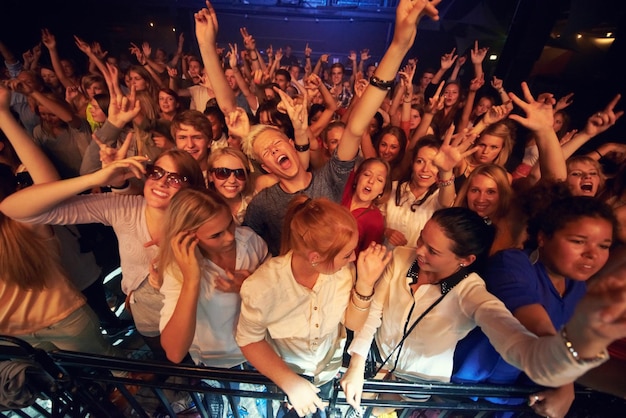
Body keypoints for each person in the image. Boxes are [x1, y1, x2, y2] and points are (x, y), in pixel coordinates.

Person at [340, 206, 625, 413]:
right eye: (422, 239)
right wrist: (355, 367)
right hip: (372, 365)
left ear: (465, 260)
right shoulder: (402, 257)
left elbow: (520, 346)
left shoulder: (472, 292)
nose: (419, 250)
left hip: (419, 386)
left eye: (433, 251)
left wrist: (583, 343)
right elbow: (374, 313)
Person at [0, 149, 205, 358]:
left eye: (176, 179)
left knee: (202, 355)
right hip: (146, 310)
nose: (162, 182)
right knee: (165, 357)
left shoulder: (203, 218)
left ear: (192, 187)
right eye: (156, 172)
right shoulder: (124, 208)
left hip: (198, 308)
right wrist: (95, 179)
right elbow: (13, 209)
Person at [452, 190, 616, 418]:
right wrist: (566, 385)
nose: (592, 255)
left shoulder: (578, 289)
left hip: (515, 399)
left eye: (604, 246)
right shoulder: (512, 264)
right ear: (543, 237)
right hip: (465, 392)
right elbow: (538, 327)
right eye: (579, 242)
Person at [237, 196, 391, 418]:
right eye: (347, 254)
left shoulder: (343, 274)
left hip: (328, 370)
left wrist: (365, 285)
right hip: (285, 371)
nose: (354, 257)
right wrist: (289, 382)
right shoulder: (263, 287)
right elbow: (249, 339)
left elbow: (351, 323)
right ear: (315, 257)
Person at [159, 187, 269, 365]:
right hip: (223, 361)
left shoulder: (248, 239)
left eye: (230, 224)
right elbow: (175, 352)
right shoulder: (176, 271)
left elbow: (277, 287)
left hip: (263, 347)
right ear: (186, 238)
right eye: (216, 235)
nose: (229, 238)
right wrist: (191, 280)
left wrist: (250, 285)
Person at [341, 158, 392, 257]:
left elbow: (364, 259)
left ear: (382, 190)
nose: (371, 181)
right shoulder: (343, 189)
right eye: (367, 174)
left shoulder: (375, 221)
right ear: (357, 177)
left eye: (379, 180)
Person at [207, 147, 255, 224]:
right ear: (210, 176)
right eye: (223, 173)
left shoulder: (256, 202)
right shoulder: (203, 209)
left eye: (240, 173)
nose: (232, 180)